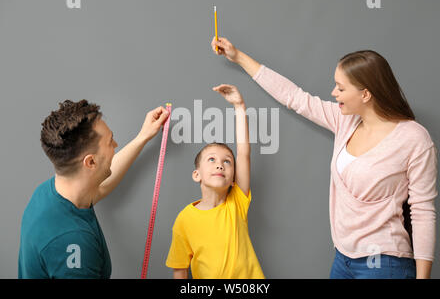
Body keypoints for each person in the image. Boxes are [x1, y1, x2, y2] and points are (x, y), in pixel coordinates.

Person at [211, 37, 437, 279]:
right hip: (342, 259)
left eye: (340, 88)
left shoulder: (414, 138)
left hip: (384, 264)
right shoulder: (346, 121)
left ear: (365, 95)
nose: (333, 93)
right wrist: (238, 57)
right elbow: (294, 97)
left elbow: (423, 211)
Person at [18, 99, 169, 278]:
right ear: (91, 162)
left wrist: (142, 137)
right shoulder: (74, 242)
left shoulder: (47, 193)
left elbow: (101, 186)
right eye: (110, 141)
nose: (115, 145)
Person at [165, 85, 265, 279]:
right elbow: (180, 269)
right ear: (197, 175)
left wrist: (239, 106)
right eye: (211, 159)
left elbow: (243, 153)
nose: (220, 165)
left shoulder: (237, 202)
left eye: (227, 161)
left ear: (234, 179)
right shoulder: (184, 220)